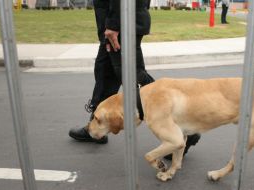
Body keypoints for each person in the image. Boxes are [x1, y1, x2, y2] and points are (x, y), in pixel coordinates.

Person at [69, 0, 200, 158]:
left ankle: (184, 130)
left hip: (122, 22)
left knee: (138, 82)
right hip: (119, 21)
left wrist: (114, 23)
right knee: (105, 73)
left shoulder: (117, 23)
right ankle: (96, 127)